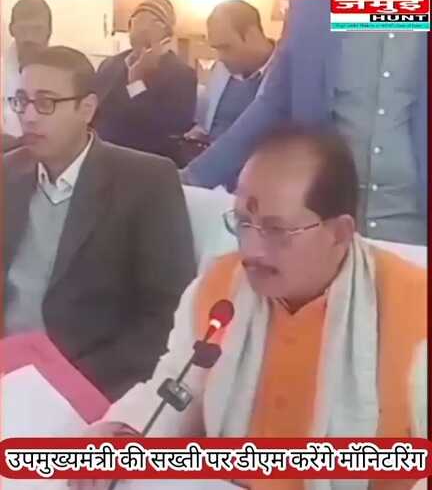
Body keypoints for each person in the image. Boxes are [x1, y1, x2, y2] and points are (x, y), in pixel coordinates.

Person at [72, 129, 426, 490]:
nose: (251, 251)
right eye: (243, 223)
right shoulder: (220, 288)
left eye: (277, 230)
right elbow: (178, 386)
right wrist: (126, 432)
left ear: (339, 232)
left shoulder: (415, 307)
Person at [4, 46, 196, 401]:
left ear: (87, 108)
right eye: (21, 101)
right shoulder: (8, 172)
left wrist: (72, 381)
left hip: (84, 377)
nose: (28, 117)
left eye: (45, 103)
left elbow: (165, 312)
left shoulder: (145, 181)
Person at [181, 0, 427, 246]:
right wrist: (192, 178)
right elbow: (274, 103)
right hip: (326, 219)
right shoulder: (313, 4)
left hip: (414, 225)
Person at [95, 0, 197, 159]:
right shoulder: (110, 64)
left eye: (151, 22)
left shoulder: (182, 74)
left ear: (166, 32)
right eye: (136, 20)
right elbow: (96, 111)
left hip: (145, 159)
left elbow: (171, 127)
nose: (140, 27)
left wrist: (136, 84)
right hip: (101, 155)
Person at [185, 0, 274, 144]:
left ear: (252, 35)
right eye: (217, 49)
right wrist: (197, 134)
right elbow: (205, 125)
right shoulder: (220, 69)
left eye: (226, 47)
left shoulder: (286, 73)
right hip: (207, 151)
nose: (221, 58)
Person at [3, 0, 52, 138]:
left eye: (37, 30)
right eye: (23, 30)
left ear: (49, 31)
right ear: (11, 30)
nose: (29, 38)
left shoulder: (67, 73)